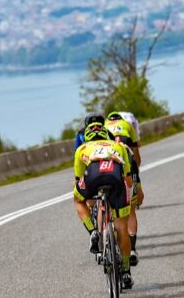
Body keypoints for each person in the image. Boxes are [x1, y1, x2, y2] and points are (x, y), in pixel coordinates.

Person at [73, 123, 134, 289]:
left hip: (93, 177)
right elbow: (128, 179)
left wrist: (88, 196)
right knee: (122, 227)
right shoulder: (118, 146)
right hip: (115, 179)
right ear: (106, 135)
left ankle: (93, 232)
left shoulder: (82, 148)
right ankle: (127, 270)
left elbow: (78, 179)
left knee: (78, 201)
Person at [104, 111, 143, 266]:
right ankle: (132, 249)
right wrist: (136, 171)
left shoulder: (104, 127)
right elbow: (136, 152)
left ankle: (104, 239)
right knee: (130, 209)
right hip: (126, 165)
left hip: (106, 168)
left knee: (104, 206)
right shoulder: (128, 124)